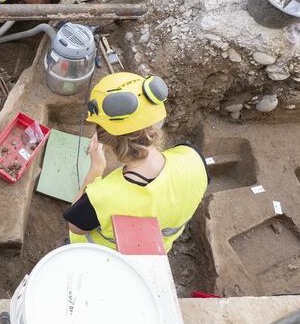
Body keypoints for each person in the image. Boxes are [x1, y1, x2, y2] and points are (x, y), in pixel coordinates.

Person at [63, 72, 209, 252]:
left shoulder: (102, 196)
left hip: (101, 257)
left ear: (105, 141)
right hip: (156, 251)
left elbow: (74, 226)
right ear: (155, 123)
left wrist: (96, 168)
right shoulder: (193, 157)